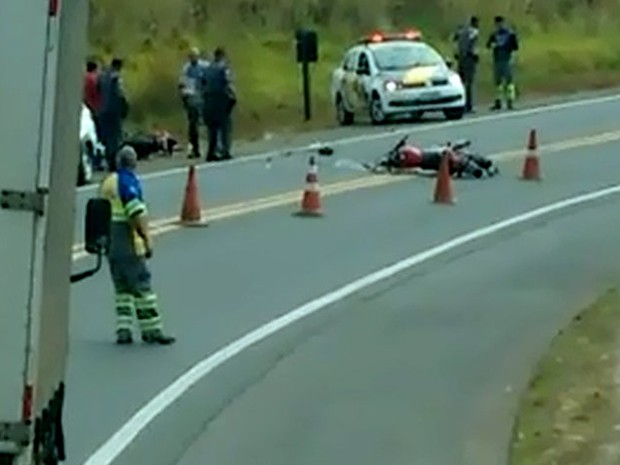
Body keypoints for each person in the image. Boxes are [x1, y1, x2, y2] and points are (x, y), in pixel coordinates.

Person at [99, 146, 176, 345]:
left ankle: (123, 330)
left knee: (122, 289)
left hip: (111, 244)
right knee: (142, 286)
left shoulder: (107, 183)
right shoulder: (127, 181)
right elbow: (134, 211)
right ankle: (152, 330)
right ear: (133, 162)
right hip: (127, 241)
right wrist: (146, 238)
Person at [202, 47, 236, 162]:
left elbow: (202, 84)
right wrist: (233, 97)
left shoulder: (207, 69)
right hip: (221, 99)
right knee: (225, 127)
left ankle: (211, 152)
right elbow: (228, 83)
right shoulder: (223, 68)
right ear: (222, 56)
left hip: (208, 101)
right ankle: (225, 151)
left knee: (212, 129)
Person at [98, 58, 129, 171]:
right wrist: (125, 107)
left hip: (103, 109)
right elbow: (121, 94)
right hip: (114, 111)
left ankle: (108, 159)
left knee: (106, 137)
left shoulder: (102, 77)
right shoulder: (116, 78)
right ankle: (113, 162)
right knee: (115, 137)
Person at [179, 47, 209, 159]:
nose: (193, 58)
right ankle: (195, 148)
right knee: (193, 126)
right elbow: (182, 85)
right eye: (191, 57)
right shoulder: (186, 69)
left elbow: (209, 81)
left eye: (195, 56)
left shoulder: (204, 66)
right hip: (192, 100)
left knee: (208, 124)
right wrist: (184, 99)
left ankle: (211, 146)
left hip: (204, 99)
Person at [486, 16, 519, 110]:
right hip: (497, 60)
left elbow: (515, 47)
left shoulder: (510, 34)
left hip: (507, 60)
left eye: (500, 23)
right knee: (497, 83)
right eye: (497, 24)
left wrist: (510, 51)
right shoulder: (494, 34)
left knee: (509, 83)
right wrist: (492, 45)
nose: (498, 26)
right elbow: (488, 45)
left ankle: (510, 101)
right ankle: (498, 102)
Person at [453, 16, 480, 113]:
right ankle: (468, 105)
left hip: (461, 58)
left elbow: (454, 40)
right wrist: (476, 56)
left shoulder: (461, 32)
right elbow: (473, 46)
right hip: (469, 59)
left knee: (462, 82)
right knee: (469, 83)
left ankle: (461, 103)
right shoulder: (474, 32)